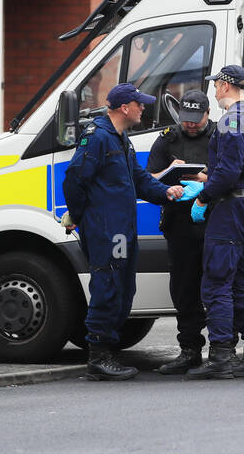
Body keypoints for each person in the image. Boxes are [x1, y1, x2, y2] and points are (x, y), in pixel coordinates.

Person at [63, 82, 186, 381]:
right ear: (124, 108)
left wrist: (165, 191)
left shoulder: (120, 138)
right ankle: (99, 357)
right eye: (139, 104)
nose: (143, 108)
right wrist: (78, 217)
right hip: (106, 231)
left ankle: (108, 352)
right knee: (108, 287)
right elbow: (74, 180)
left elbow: (138, 178)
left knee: (124, 289)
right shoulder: (97, 138)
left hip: (122, 229)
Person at [184, 65, 244, 379]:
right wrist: (211, 180)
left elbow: (228, 172)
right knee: (237, 282)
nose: (213, 89)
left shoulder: (231, 120)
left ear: (225, 86)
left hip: (231, 209)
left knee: (216, 282)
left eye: (215, 84)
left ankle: (222, 354)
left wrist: (203, 196)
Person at [146, 89, 216, 375]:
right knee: (184, 290)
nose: (190, 124)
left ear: (207, 114)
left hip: (214, 223)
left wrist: (206, 181)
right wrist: (169, 178)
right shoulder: (167, 139)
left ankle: (224, 347)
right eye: (186, 119)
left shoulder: (220, 137)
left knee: (218, 288)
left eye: (196, 120)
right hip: (180, 225)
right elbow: (148, 179)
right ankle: (190, 350)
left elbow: (235, 173)